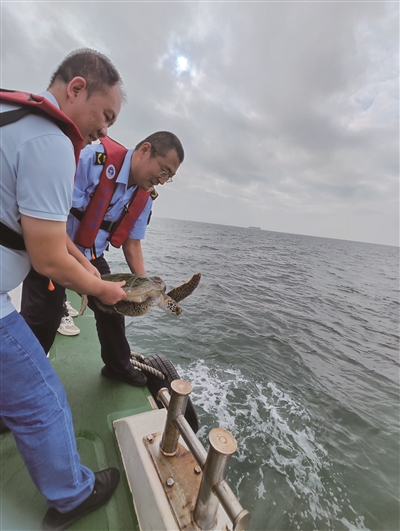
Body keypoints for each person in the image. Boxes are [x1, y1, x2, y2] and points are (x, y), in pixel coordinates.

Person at [0, 49, 130, 529]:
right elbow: (48, 258)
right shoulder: (52, 141)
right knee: (44, 399)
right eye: (105, 115)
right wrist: (103, 291)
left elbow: (56, 240)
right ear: (76, 89)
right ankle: (72, 495)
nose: (104, 129)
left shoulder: (12, 119)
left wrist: (89, 270)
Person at [21, 131, 184, 387]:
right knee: (44, 317)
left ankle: (117, 366)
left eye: (169, 178)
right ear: (145, 150)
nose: (162, 181)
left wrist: (147, 287)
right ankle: (13, 390)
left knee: (113, 308)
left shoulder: (144, 195)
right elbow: (50, 216)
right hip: (53, 246)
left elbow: (132, 243)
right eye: (163, 171)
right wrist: (80, 267)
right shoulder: (91, 161)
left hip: (91, 254)